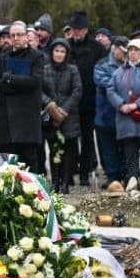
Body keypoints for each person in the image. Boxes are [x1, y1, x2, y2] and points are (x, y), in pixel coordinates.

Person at [0, 21, 45, 172]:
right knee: (4, 166)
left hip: (27, 120)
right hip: (5, 120)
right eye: (12, 35)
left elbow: (34, 82)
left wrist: (9, 78)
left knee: (29, 165)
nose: (15, 38)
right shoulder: (2, 57)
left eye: (19, 35)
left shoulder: (37, 57)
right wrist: (18, 83)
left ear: (27, 37)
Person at [107, 39, 140, 191]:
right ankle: (133, 180)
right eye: (130, 50)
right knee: (129, 151)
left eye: (136, 50)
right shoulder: (119, 72)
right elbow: (110, 90)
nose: (133, 52)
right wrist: (121, 105)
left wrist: (136, 104)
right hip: (126, 118)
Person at [67, 10, 106, 186]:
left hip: (89, 100)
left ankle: (85, 172)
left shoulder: (97, 48)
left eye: (80, 29)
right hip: (69, 101)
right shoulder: (66, 46)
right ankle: (69, 172)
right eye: (74, 29)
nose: (76, 32)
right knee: (70, 138)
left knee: (88, 139)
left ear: (86, 30)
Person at [41, 38, 82, 193]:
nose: (59, 54)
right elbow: (41, 91)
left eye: (62, 51)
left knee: (67, 152)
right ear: (52, 52)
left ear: (67, 54)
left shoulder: (72, 70)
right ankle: (55, 182)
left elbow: (77, 91)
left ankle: (65, 182)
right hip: (50, 116)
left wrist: (63, 111)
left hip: (68, 117)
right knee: (53, 150)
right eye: (56, 51)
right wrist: (51, 107)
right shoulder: (45, 69)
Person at [94, 36, 129, 185]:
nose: (125, 54)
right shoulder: (102, 65)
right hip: (106, 114)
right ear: (114, 48)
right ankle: (113, 177)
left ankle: (127, 176)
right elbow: (103, 83)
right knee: (109, 148)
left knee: (126, 147)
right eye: (123, 51)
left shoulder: (130, 64)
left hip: (126, 114)